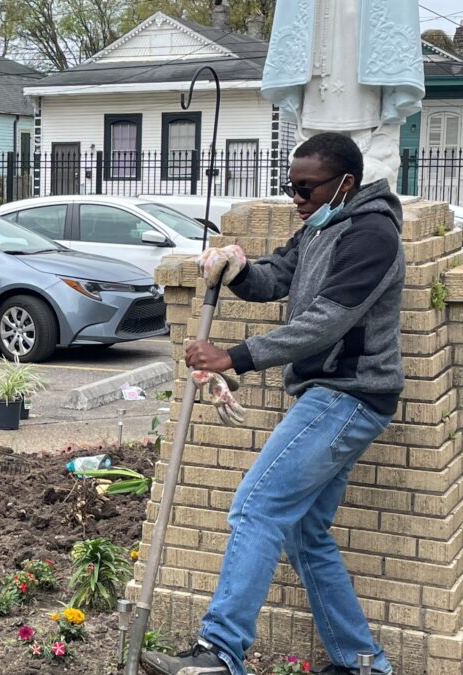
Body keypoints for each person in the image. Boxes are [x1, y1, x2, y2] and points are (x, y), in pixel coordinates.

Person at [141, 132, 404, 675]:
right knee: (305, 531)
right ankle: (362, 662)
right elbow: (273, 279)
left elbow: (328, 320)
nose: (296, 199)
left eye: (306, 188)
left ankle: (220, 652)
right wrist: (234, 268)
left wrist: (234, 356)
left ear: (345, 184)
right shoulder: (318, 226)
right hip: (330, 396)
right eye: (291, 187)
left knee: (256, 507)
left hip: (348, 396)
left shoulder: (373, 234)